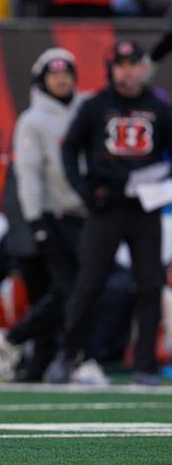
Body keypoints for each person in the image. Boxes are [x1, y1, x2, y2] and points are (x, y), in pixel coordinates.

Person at [46, 40, 172, 386]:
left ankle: (144, 365)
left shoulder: (158, 106)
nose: (127, 71)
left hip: (144, 208)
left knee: (150, 286)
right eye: (121, 64)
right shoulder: (95, 106)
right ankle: (67, 355)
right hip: (106, 207)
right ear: (112, 68)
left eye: (133, 64)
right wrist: (84, 191)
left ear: (141, 68)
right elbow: (69, 149)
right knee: (88, 284)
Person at [0, 48, 87, 383]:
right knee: (69, 289)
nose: (61, 79)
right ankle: (26, 345)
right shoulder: (33, 120)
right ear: (41, 80)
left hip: (83, 215)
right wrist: (36, 223)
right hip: (51, 216)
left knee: (71, 289)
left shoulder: (85, 109)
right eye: (53, 74)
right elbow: (28, 176)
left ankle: (35, 357)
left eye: (66, 73)